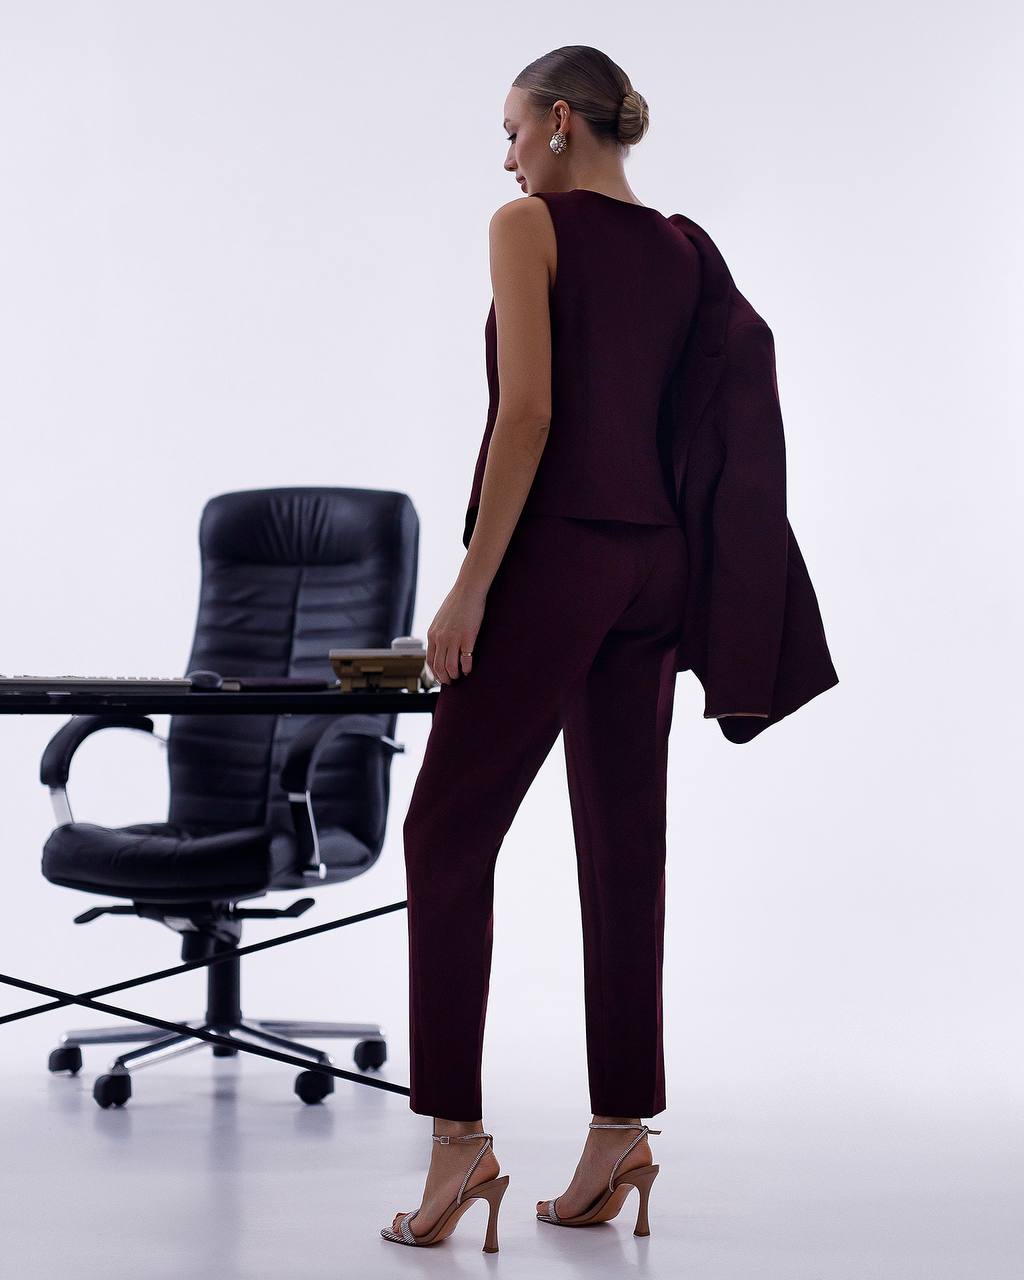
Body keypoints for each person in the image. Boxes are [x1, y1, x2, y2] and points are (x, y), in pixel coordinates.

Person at [382, 43, 813, 1251]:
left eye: (512, 129)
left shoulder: (529, 228)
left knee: (446, 828)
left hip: (559, 554)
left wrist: (470, 585)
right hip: (656, 564)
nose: (506, 154)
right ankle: (618, 1126)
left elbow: (528, 414)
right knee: (625, 844)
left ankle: (458, 1144)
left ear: (561, 123)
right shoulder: (682, 250)